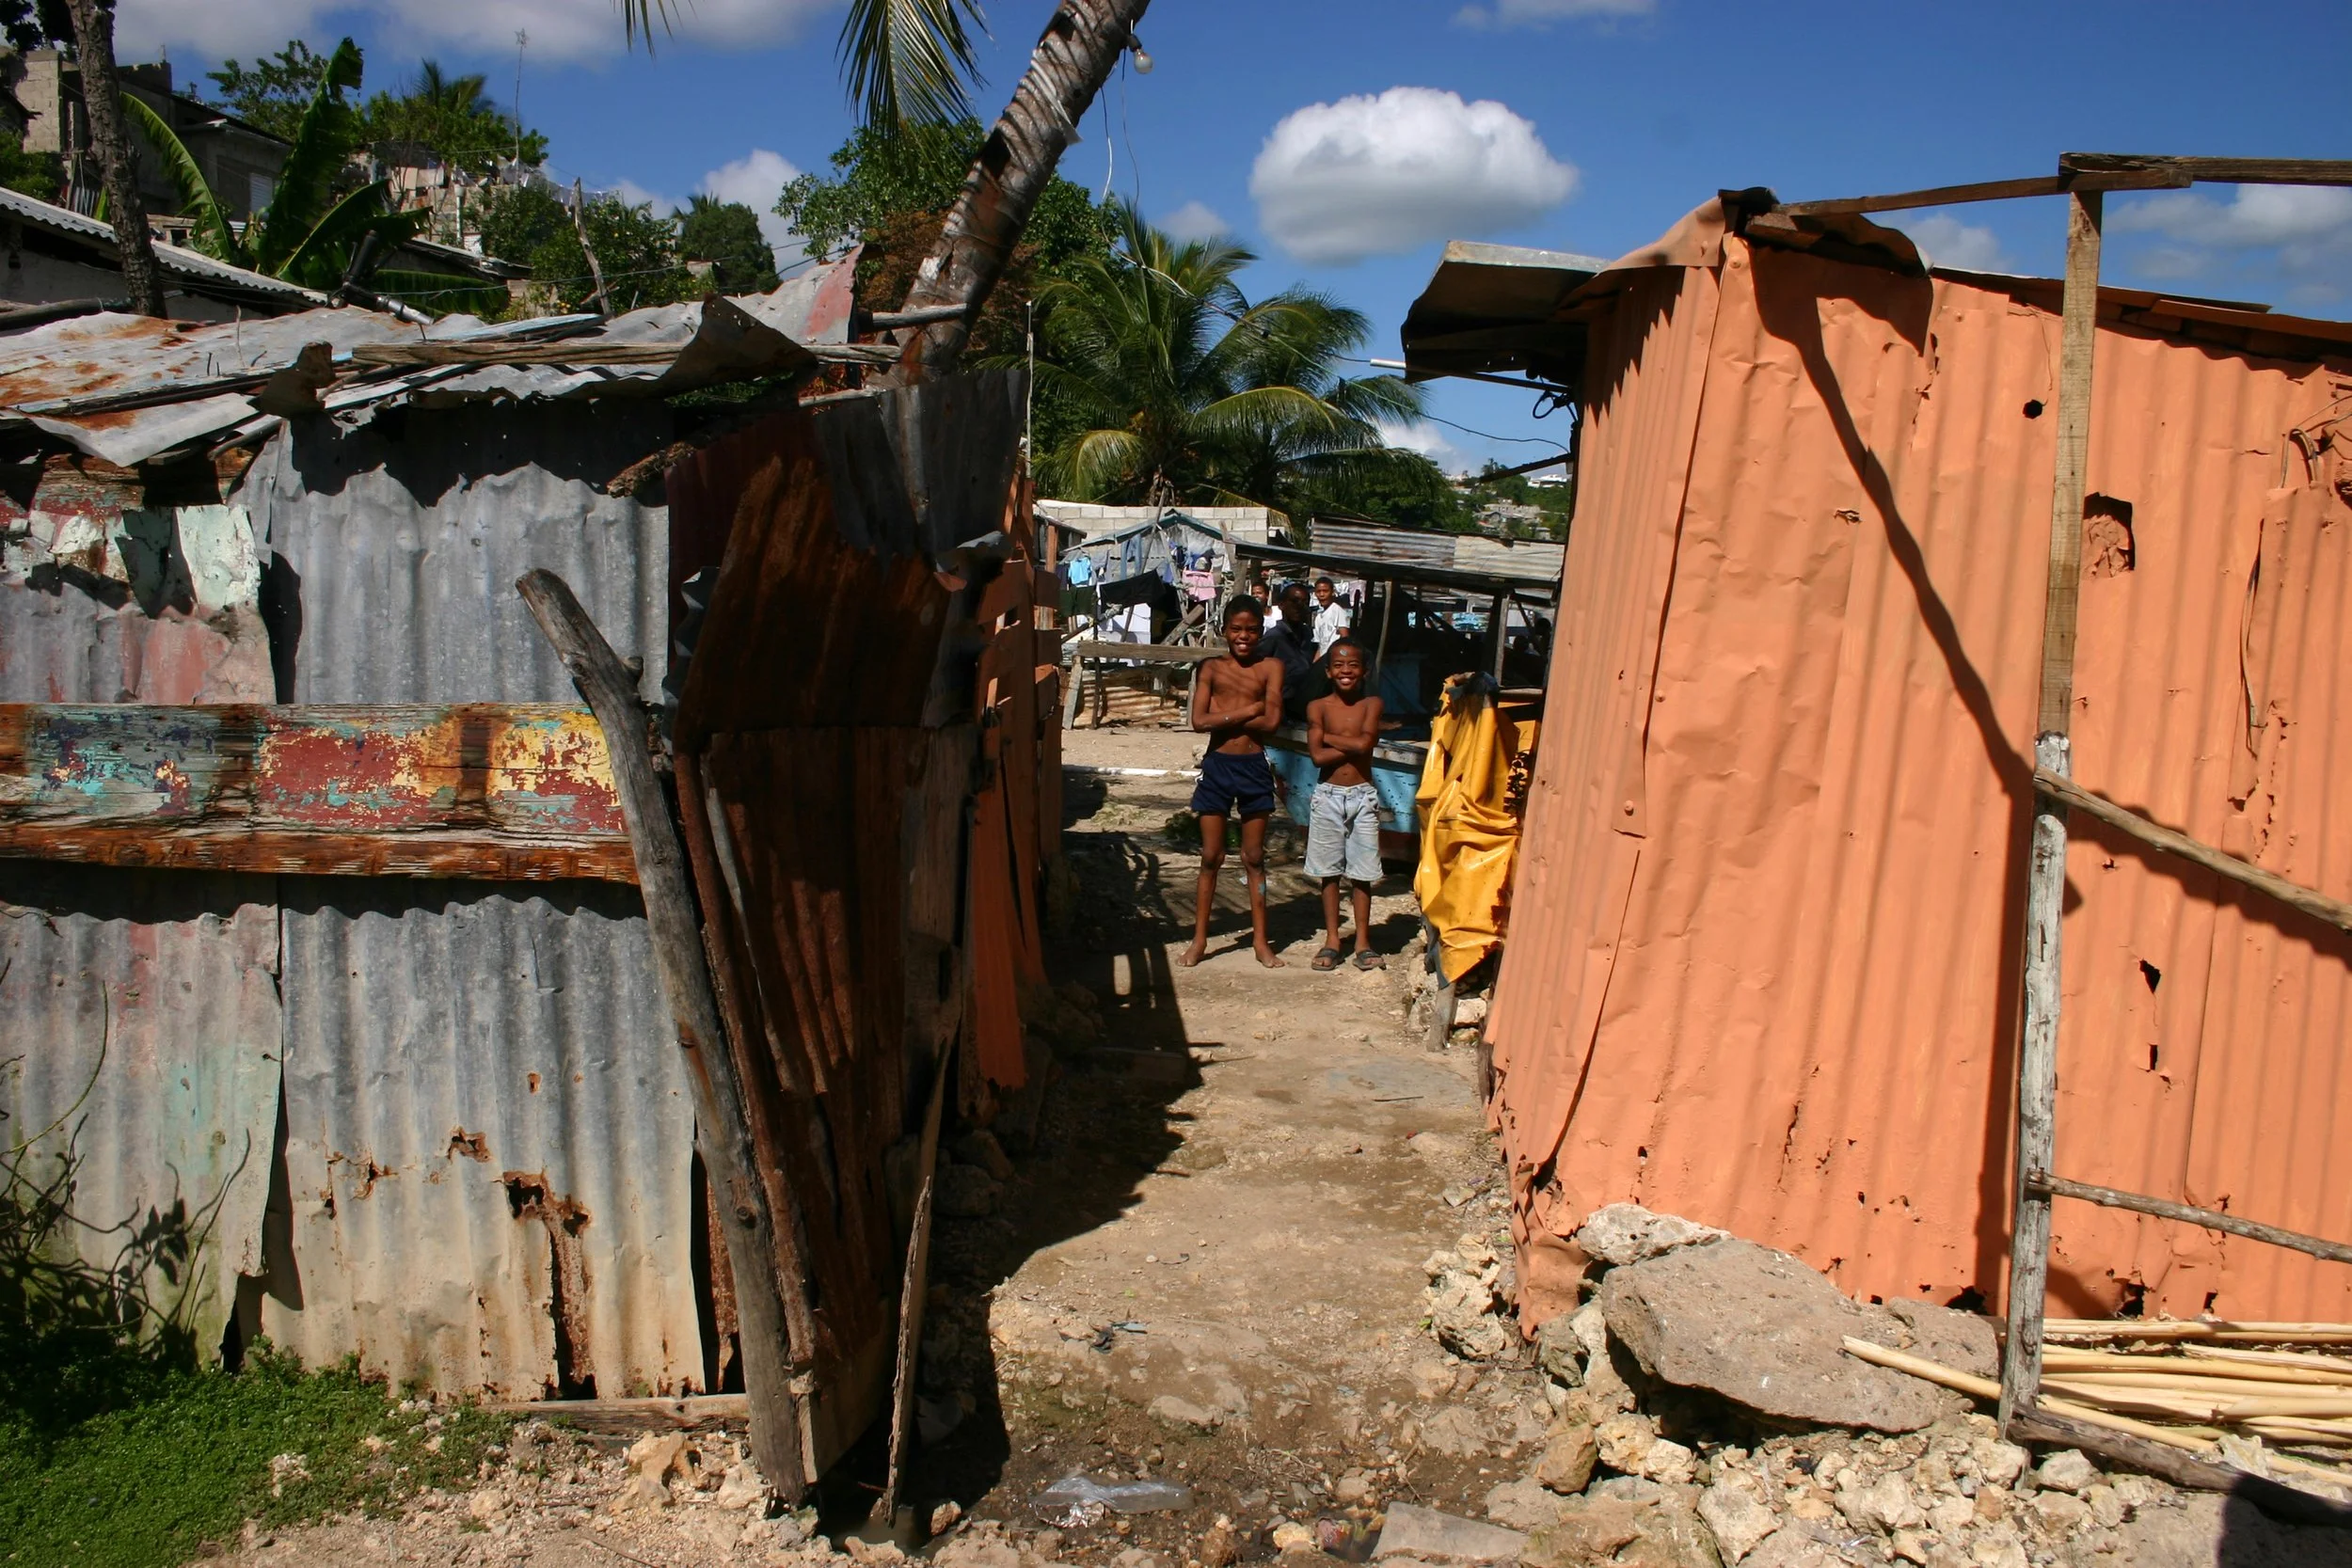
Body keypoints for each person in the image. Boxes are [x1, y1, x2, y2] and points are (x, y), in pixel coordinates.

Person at [1182, 595, 1287, 969]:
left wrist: (1225, 717)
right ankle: (1199, 940)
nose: (1244, 636)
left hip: (1253, 767)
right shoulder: (1210, 667)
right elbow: (1199, 721)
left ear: (1262, 631)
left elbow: (1271, 724)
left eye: (1252, 629)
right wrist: (1250, 710)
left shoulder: (1271, 667)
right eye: (1237, 629)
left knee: (1254, 857)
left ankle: (1261, 941)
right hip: (1218, 766)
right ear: (1224, 630)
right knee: (1211, 856)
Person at [1305, 639, 1387, 971]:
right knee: (1329, 873)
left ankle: (1363, 942)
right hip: (1328, 794)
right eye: (1338, 665)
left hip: (1362, 794)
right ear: (1328, 671)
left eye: (1352, 665)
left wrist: (1327, 736)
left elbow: (1367, 742)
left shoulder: (1372, 704)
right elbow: (1317, 757)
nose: (1345, 671)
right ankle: (1332, 940)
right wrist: (1354, 745)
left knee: (1362, 874)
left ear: (1364, 671)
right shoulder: (1318, 707)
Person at [1259, 580, 1318, 697]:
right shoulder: (1274, 637)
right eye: (1294, 601)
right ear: (1281, 605)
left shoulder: (1307, 633)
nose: (1299, 606)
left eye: (1304, 602)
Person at [1311, 577, 1352, 657]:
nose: (1322, 594)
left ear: (1332, 592)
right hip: (1323, 661)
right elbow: (1321, 646)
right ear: (1315, 594)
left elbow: (1345, 639)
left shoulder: (1337, 611)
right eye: (1318, 591)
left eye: (1325, 591)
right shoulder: (1318, 618)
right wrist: (1315, 665)